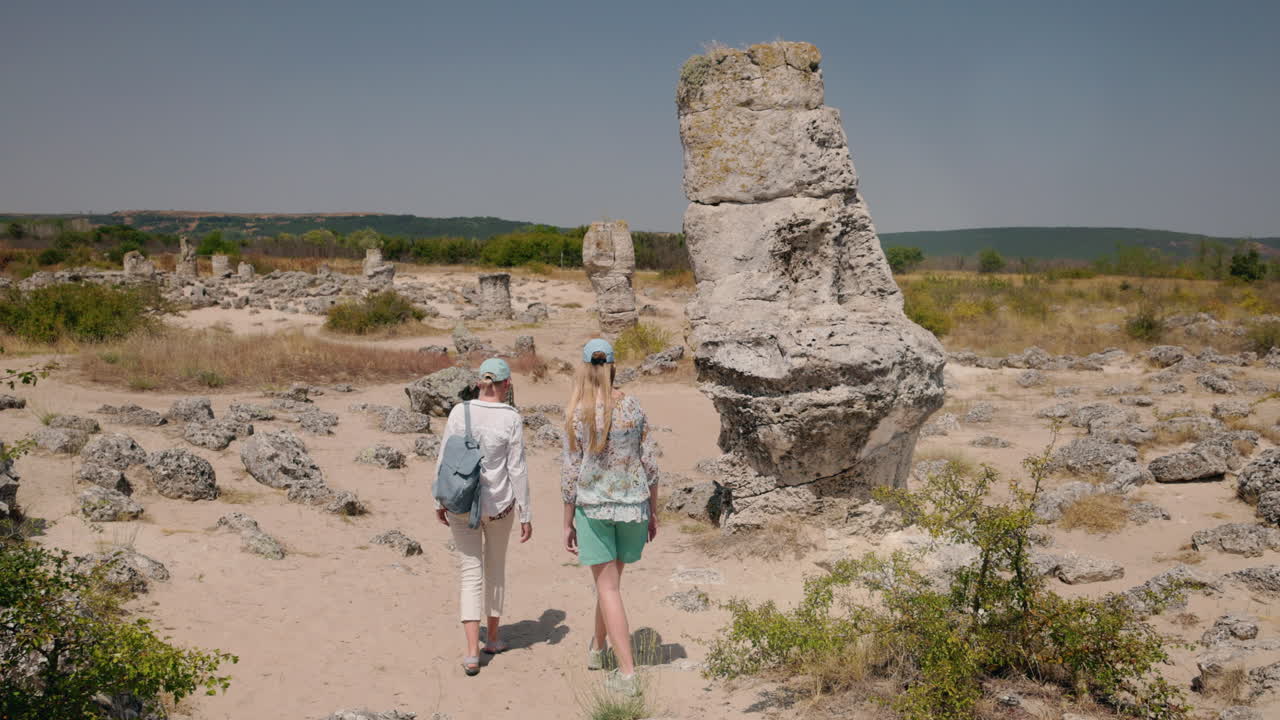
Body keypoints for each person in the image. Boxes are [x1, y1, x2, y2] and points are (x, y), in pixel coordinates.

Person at [561, 338, 659, 697]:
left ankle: (629, 674)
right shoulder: (632, 405)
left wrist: (566, 520)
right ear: (614, 366)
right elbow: (650, 462)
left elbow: (570, 472)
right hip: (633, 505)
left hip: (594, 507)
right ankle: (598, 649)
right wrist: (654, 510)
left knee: (608, 587)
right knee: (611, 584)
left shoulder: (577, 410)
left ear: (585, 367)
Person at [435, 357, 532, 676]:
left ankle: (471, 652)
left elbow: (444, 457)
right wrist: (525, 511)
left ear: (480, 383)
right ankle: (492, 638)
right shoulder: (511, 418)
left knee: (469, 571)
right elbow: (516, 468)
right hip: (499, 505)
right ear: (507, 385)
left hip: (460, 503)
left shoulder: (459, 412)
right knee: (495, 569)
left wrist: (441, 497)